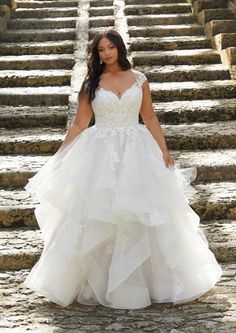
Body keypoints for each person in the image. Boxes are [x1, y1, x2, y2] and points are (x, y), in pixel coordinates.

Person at [23, 29, 222, 309]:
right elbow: (80, 124)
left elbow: (149, 116)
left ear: (119, 48)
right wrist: (61, 155)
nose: (106, 53)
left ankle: (148, 284)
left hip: (138, 151)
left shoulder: (139, 79)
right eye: (101, 49)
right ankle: (100, 284)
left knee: (141, 214)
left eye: (110, 48)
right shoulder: (91, 82)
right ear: (96, 54)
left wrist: (164, 150)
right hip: (100, 154)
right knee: (100, 215)